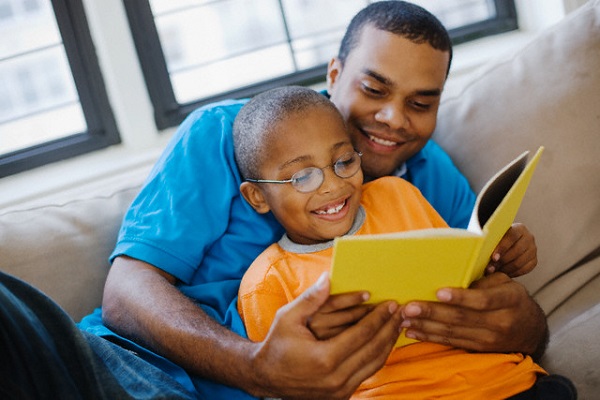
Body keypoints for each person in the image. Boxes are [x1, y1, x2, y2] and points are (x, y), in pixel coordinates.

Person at [0, 2, 546, 400]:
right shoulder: (226, 134)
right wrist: (256, 366)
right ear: (335, 75)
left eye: (421, 102)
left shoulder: (431, 181)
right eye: (374, 89)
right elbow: (127, 292)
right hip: (129, 370)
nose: (393, 119)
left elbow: (483, 302)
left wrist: (525, 323)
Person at [235, 85, 575, 399]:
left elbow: (462, 278)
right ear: (257, 196)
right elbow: (282, 384)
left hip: (509, 383)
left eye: (343, 161)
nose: (333, 186)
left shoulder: (396, 195)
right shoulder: (266, 282)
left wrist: (498, 257)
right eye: (302, 176)